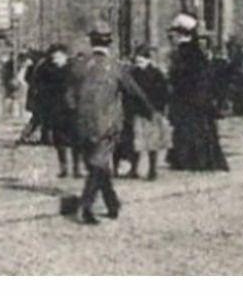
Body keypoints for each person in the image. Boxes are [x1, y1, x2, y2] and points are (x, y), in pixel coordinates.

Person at [65, 23, 152, 225]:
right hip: (107, 124)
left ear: (91, 41)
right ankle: (85, 207)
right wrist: (150, 111)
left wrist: (76, 115)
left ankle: (112, 203)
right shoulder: (116, 67)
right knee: (98, 165)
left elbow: (68, 96)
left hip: (82, 123)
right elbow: (135, 92)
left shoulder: (78, 65)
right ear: (110, 42)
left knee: (98, 163)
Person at [166, 14, 227, 171]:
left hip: (188, 98)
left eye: (174, 34)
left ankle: (190, 160)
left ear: (181, 34)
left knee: (189, 129)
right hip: (198, 98)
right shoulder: (195, 52)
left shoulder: (184, 53)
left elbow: (181, 77)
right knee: (198, 128)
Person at [117, 45, 170, 180]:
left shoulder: (157, 74)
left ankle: (152, 171)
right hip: (136, 112)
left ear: (148, 60)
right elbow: (126, 93)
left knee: (152, 142)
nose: (139, 64)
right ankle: (134, 170)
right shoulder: (132, 74)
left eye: (141, 61)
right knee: (136, 143)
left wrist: (159, 109)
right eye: (137, 61)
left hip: (151, 112)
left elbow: (164, 92)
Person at [27, 44, 78, 177]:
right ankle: (64, 168)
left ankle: (76, 167)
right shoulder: (47, 70)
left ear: (65, 57)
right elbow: (39, 87)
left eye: (58, 57)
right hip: (55, 109)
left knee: (75, 140)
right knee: (59, 141)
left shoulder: (74, 70)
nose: (55, 60)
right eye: (53, 57)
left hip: (71, 109)